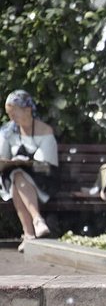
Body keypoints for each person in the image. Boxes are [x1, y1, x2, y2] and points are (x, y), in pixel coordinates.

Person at [0, 90, 58, 252]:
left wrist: (29, 165)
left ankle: (29, 235)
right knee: (16, 176)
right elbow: (2, 158)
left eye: (14, 113)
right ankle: (37, 220)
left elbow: (48, 166)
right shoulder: (7, 131)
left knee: (18, 177)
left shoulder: (45, 131)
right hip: (14, 179)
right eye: (9, 114)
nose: (12, 118)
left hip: (43, 181)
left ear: (27, 110)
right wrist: (13, 163)